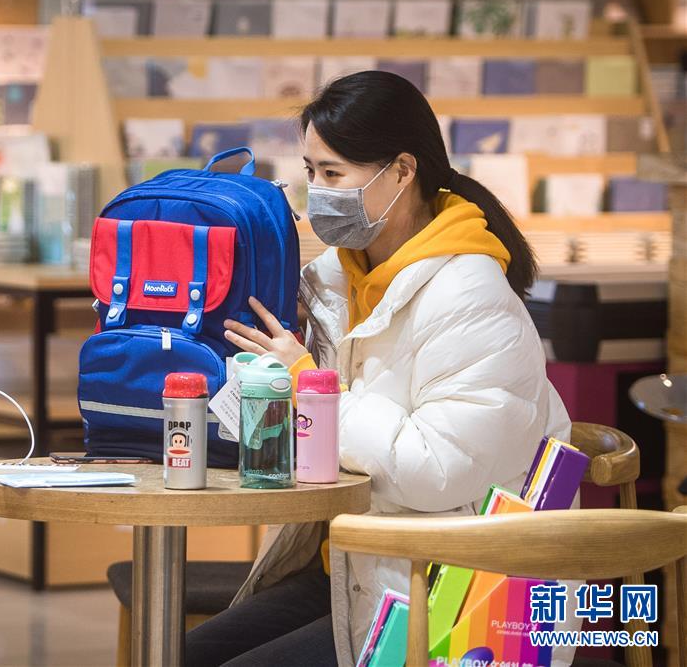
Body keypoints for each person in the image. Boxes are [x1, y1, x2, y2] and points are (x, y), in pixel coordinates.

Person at [184, 71, 574, 667]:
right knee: (180, 653)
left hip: (450, 596)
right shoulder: (332, 282)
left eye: (334, 173)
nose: (317, 192)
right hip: (352, 566)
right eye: (311, 172)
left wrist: (310, 386)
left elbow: (435, 472)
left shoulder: (473, 299)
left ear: (402, 171)